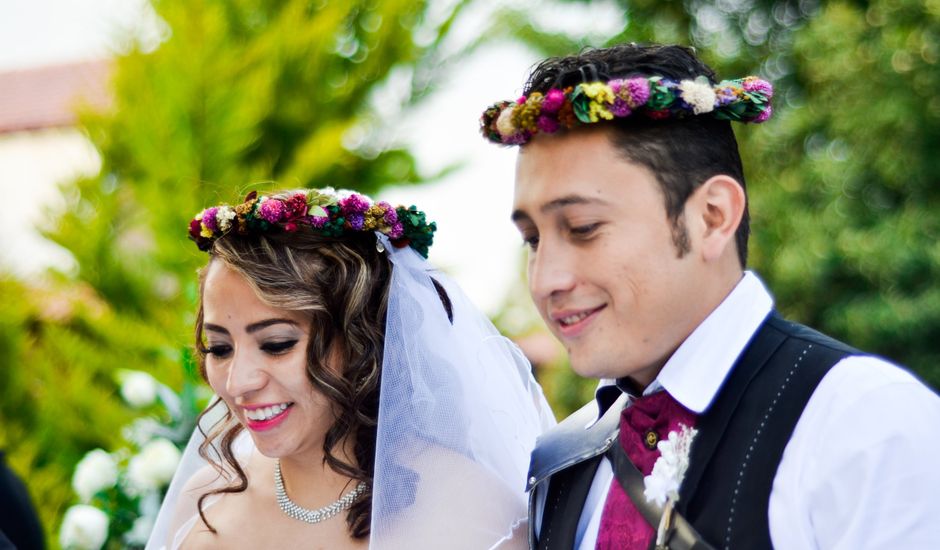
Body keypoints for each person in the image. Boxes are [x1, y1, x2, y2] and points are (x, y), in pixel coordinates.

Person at [480, 43, 940, 549]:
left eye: (584, 228)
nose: (547, 280)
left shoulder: (866, 426)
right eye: (533, 240)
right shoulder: (558, 462)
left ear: (712, 216)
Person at [146, 187, 554, 549]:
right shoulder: (205, 503)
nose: (238, 383)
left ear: (363, 341)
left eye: (276, 344)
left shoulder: (469, 513)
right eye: (220, 348)